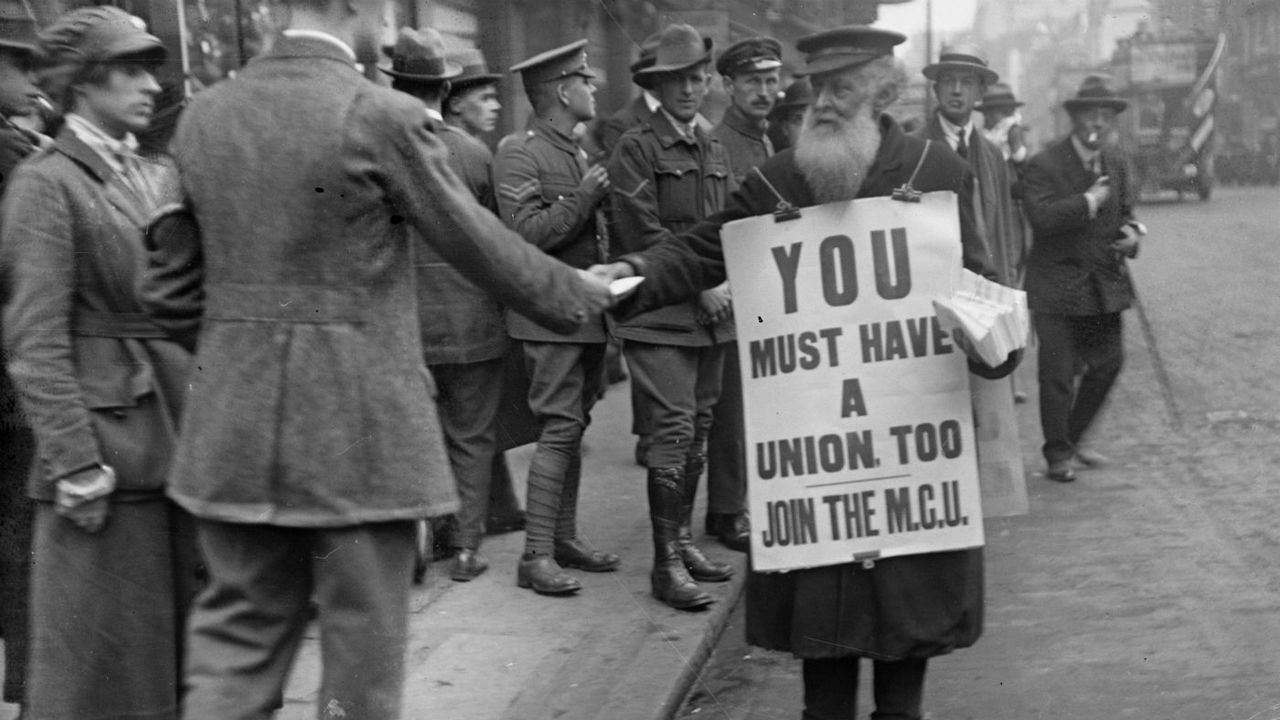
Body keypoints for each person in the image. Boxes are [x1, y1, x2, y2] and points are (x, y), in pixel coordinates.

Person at [139, 0, 617, 715]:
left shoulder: (206, 116)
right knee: (361, 669)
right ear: (356, 8)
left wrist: (241, 347)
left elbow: (169, 292)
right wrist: (579, 292)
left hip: (232, 432)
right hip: (358, 432)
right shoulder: (378, 114)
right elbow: (477, 245)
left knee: (235, 652)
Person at [591, 25, 1017, 719]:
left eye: (842, 87)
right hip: (816, 478)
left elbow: (989, 294)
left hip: (909, 467)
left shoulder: (935, 174)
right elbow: (701, 251)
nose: (823, 103)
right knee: (823, 686)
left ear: (881, 90)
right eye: (817, 87)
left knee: (903, 688)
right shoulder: (776, 182)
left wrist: (987, 334)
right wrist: (630, 273)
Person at [0, 8, 200, 719]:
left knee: (160, 663)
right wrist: (75, 461)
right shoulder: (45, 182)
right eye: (132, 69)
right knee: (102, 675)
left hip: (164, 436)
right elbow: (34, 338)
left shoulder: (139, 169)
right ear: (85, 82)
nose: (152, 84)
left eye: (153, 67)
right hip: (106, 458)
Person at [609, 23, 736, 610]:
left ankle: (682, 543)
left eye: (698, 76)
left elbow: (727, 224)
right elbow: (645, 233)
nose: (691, 87)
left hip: (710, 316)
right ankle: (664, 565)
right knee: (675, 430)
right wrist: (707, 284)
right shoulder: (636, 145)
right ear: (658, 84)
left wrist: (727, 278)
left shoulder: (712, 144)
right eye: (679, 79)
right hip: (660, 314)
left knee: (700, 427)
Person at [493, 39, 621, 597]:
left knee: (575, 426)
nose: (593, 88)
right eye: (585, 81)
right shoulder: (518, 153)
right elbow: (523, 236)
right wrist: (583, 202)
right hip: (547, 317)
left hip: (582, 314)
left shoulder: (575, 151)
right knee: (559, 427)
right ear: (563, 90)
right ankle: (536, 555)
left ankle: (562, 538)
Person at [385, 27, 509, 582]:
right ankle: (465, 546)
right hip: (473, 320)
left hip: (408, 323)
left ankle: (423, 539)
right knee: (473, 436)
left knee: (419, 435)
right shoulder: (474, 154)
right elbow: (497, 244)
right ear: (444, 89)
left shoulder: (387, 152)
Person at [1022, 75, 1142, 483]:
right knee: (1056, 376)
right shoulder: (1044, 165)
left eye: (1105, 116)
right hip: (1055, 287)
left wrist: (1132, 235)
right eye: (1090, 114)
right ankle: (1057, 456)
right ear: (1074, 119)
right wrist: (1088, 201)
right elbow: (1041, 218)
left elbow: (1126, 213)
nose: (1098, 123)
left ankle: (1070, 438)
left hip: (1102, 285)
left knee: (1109, 365)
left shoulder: (1117, 162)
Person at [700, 35, 784, 554]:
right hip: (733, 291)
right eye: (752, 81)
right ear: (728, 86)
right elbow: (709, 223)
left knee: (757, 405)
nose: (764, 90)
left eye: (771, 80)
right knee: (730, 410)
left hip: (766, 289)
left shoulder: (765, 140)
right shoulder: (716, 143)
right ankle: (727, 511)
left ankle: (740, 502)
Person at [441, 46, 529, 536]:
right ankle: (470, 529)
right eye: (487, 98)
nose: (496, 106)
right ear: (456, 103)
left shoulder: (423, 144)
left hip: (427, 316)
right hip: (473, 312)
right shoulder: (476, 156)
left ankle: (496, 505)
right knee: (475, 421)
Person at [0, 1, 45, 712]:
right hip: (9, 384)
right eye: (19, 66)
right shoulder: (12, 156)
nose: (32, 81)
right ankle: (35, 685)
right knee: (20, 538)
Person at [915, 44, 1024, 287]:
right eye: (948, 82)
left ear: (980, 93)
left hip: (984, 286)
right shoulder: (914, 148)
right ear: (936, 89)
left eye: (966, 83)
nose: (956, 91)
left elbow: (1003, 232)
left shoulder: (992, 155)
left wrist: (1008, 287)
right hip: (933, 284)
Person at [767, 77, 813, 152]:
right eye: (799, 120)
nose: (806, 129)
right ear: (785, 127)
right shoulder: (775, 162)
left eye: (814, 120)